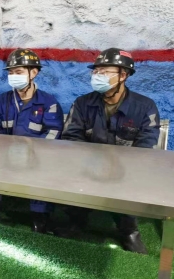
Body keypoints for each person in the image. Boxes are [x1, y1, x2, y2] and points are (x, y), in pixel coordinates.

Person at [60, 48, 161, 254]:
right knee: (72, 174)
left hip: (125, 170)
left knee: (131, 183)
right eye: (96, 71)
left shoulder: (145, 107)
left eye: (105, 71)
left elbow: (146, 147)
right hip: (88, 166)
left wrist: (119, 166)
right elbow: (71, 137)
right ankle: (76, 220)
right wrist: (91, 162)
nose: (97, 76)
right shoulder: (82, 103)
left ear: (123, 75)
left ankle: (129, 230)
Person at [0, 49, 64, 233]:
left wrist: (33, 151)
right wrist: (4, 150)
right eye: (11, 72)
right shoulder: (0, 101)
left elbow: (53, 132)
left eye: (19, 72)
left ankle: (40, 216)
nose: (13, 76)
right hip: (5, 155)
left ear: (33, 73)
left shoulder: (48, 103)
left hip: (37, 157)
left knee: (46, 167)